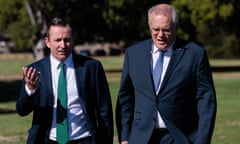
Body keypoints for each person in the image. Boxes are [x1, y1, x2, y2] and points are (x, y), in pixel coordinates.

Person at [116, 3, 216, 144]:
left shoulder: (195, 54)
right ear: (149, 26)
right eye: (156, 30)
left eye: (166, 30)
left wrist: (202, 140)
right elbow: (125, 98)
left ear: (176, 27)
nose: (160, 35)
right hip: (141, 137)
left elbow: (206, 100)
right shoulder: (133, 53)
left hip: (181, 137)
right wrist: (125, 137)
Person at [16, 17, 113, 144]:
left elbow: (104, 110)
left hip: (84, 139)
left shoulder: (91, 67)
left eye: (67, 40)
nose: (63, 45)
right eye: (58, 40)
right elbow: (22, 110)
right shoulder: (34, 71)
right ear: (48, 42)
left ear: (72, 41)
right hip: (48, 140)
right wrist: (30, 90)